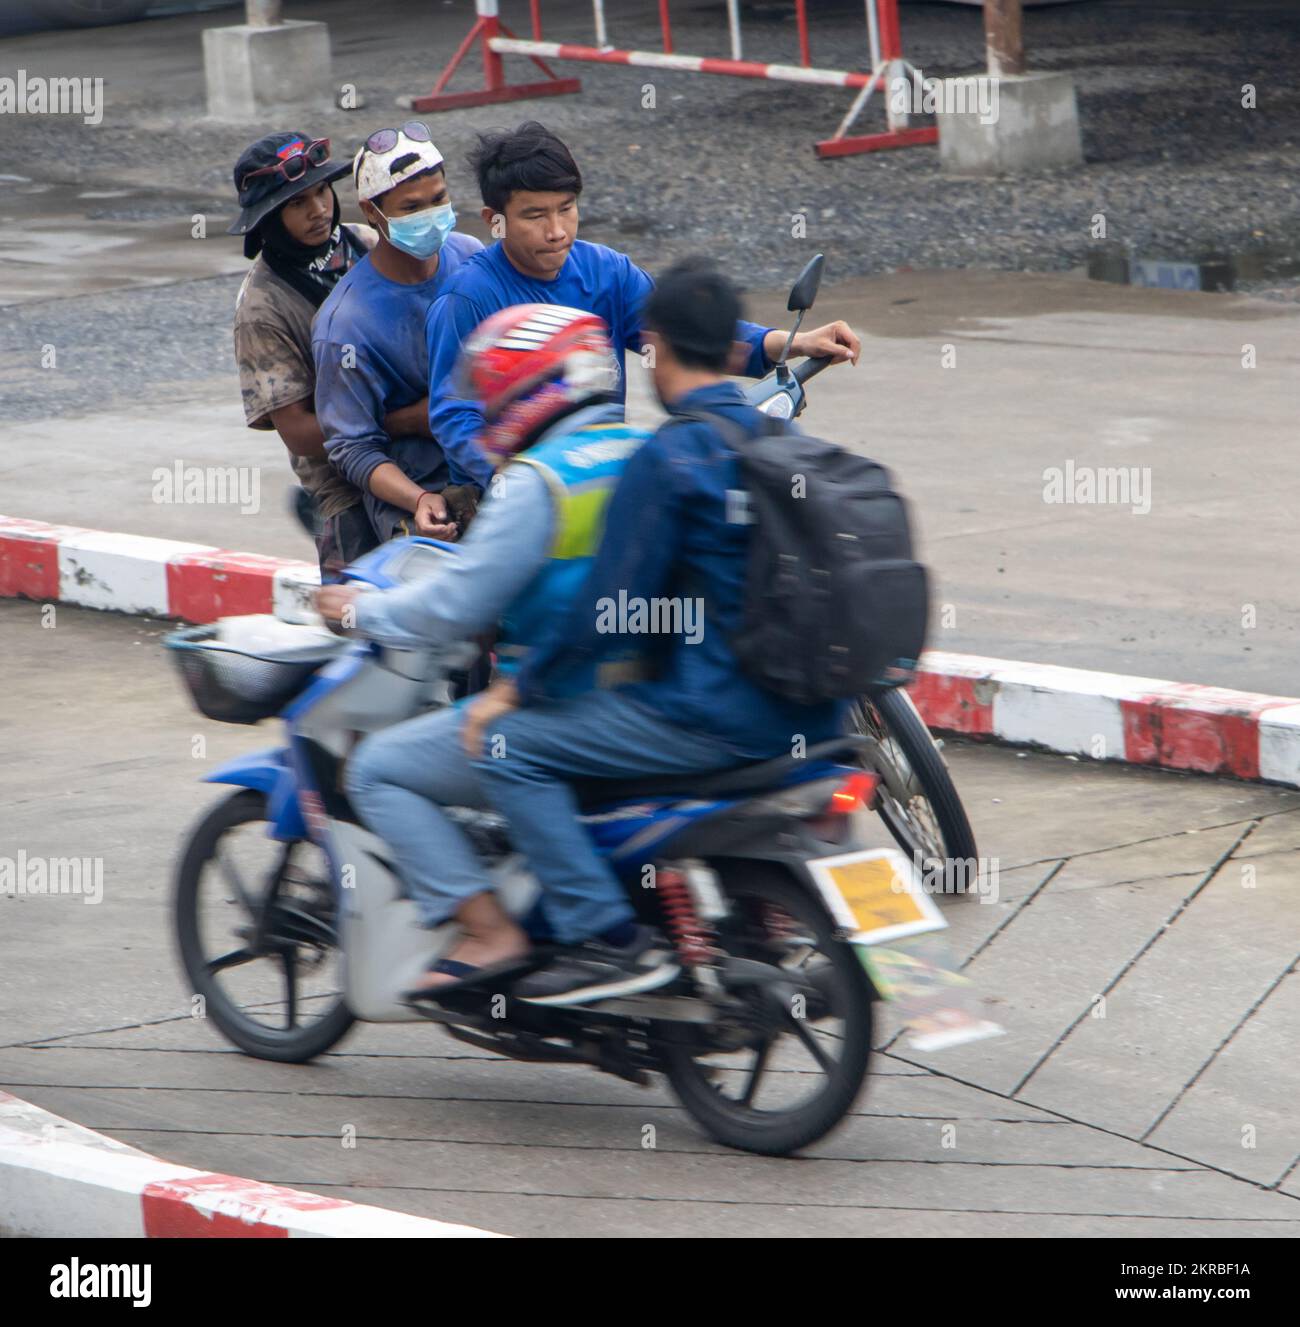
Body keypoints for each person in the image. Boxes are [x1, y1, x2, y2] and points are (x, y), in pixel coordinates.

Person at [460, 259, 853, 1005]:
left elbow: (604, 613)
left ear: (657, 349)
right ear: (731, 351)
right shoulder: (785, 444)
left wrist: (514, 692)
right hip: (820, 715)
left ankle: (604, 937)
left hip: (713, 719)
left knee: (513, 752)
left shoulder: (669, 456)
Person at [314, 305, 664, 998]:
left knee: (381, 767)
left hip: (568, 704)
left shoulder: (539, 482)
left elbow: (456, 606)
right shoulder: (642, 449)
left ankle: (490, 930)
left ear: (525, 388)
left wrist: (364, 609)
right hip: (648, 697)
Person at [425, 121, 861, 493]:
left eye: (567, 209)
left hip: (600, 478)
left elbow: (686, 332)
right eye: (535, 216)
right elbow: (453, 414)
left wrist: (796, 342)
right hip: (512, 498)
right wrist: (510, 481)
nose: (557, 231)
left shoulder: (607, 272)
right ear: (493, 220)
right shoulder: (468, 298)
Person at [314, 122, 484, 545]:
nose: (429, 215)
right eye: (411, 208)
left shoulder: (471, 257)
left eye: (438, 200)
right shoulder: (345, 325)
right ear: (372, 212)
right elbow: (353, 448)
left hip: (492, 464)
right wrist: (419, 499)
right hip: (420, 493)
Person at [229, 130, 379, 579]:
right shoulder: (261, 309)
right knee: (364, 620)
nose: (318, 210)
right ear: (270, 217)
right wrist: (402, 418)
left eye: (321, 193)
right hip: (345, 490)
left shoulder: (368, 244)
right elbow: (300, 434)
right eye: (298, 203)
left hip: (417, 455)